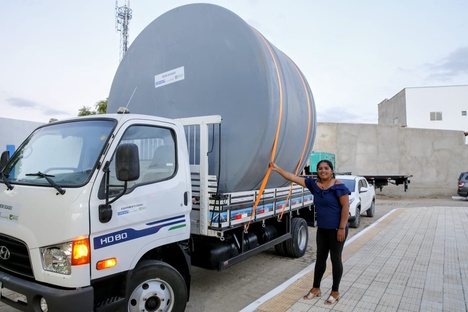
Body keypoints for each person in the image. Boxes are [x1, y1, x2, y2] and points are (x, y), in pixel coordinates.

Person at [270, 160, 350, 305]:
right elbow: (292, 177)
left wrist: (342, 228)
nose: (323, 171)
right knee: (320, 259)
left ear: (331, 170)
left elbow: (345, 208)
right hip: (323, 229)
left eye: (326, 168)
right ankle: (316, 288)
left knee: (335, 259)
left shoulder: (339, 187)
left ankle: (335, 291)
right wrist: (278, 168)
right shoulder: (314, 185)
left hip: (337, 229)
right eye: (320, 168)